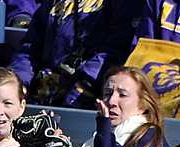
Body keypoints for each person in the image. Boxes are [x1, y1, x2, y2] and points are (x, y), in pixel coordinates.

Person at [8, 0, 140, 108]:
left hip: (88, 97)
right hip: (43, 93)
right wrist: (18, 83)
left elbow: (116, 48)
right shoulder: (51, 3)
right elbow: (30, 47)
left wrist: (83, 87)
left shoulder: (124, 4)